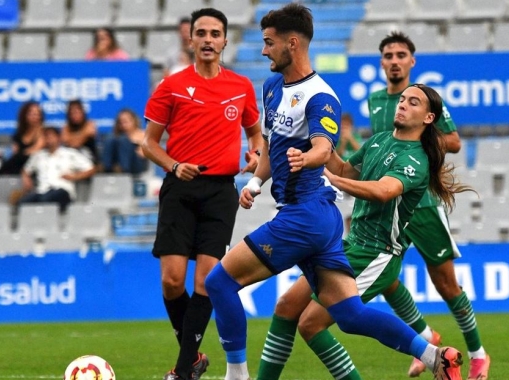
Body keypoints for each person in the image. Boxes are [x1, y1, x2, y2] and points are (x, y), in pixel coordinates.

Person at [205, 5, 463, 380]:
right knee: (347, 314)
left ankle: (237, 375)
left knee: (219, 281)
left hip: (305, 216)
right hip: (322, 221)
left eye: (269, 43)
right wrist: (257, 182)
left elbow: (325, 150)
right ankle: (435, 354)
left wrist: (311, 159)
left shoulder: (320, 96)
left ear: (292, 44)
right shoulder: (272, 87)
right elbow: (275, 145)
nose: (263, 51)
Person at [255, 83, 470, 380]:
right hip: (350, 244)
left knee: (312, 324)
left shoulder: (416, 158)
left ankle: (432, 354)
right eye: (403, 99)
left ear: (429, 118)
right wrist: (318, 140)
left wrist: (335, 181)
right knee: (286, 306)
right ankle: (433, 355)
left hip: (377, 252)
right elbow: (344, 170)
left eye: (414, 102)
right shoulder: (380, 140)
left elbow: (384, 191)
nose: (403, 104)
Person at [141, 8, 264, 380]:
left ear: (225, 41)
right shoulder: (171, 85)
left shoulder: (240, 86)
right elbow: (149, 143)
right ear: (190, 39)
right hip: (180, 187)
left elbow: (256, 134)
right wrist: (174, 166)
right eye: (202, 33)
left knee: (205, 283)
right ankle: (193, 359)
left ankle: (182, 370)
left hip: (220, 191)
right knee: (172, 280)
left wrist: (255, 153)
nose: (208, 39)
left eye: (215, 33)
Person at [367, 31, 490, 379]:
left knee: (446, 285)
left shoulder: (426, 103)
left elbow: (453, 141)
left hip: (421, 202)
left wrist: (419, 131)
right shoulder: (376, 101)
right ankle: (426, 337)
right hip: (388, 207)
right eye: (388, 54)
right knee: (386, 278)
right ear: (381, 62)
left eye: (400, 54)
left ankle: (478, 353)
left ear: (411, 61)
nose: (394, 60)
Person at [19, 127, 95, 212]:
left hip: (62, 191)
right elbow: (26, 170)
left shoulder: (70, 153)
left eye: (51, 136)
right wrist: (26, 178)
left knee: (46, 199)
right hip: (42, 191)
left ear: (58, 138)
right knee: (23, 202)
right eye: (46, 137)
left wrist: (75, 176)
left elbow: (91, 168)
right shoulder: (38, 156)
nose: (49, 139)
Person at [0, 101, 45, 176]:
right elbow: (14, 151)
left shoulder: (43, 131)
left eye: (37, 114)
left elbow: (36, 149)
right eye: (31, 114)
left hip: (34, 163)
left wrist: (22, 153)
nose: (34, 116)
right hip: (18, 162)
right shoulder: (19, 133)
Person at [101, 108, 148, 176]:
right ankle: (106, 169)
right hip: (116, 164)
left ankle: (123, 170)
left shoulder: (142, 135)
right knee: (109, 139)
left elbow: (143, 154)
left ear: (134, 121)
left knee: (123, 140)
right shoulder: (116, 137)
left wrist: (131, 145)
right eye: (120, 123)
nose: (123, 125)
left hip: (135, 165)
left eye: (125, 122)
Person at [62, 99, 99, 164]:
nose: (74, 116)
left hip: (89, 159)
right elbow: (67, 141)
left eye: (77, 112)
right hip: (71, 160)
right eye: (72, 113)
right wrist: (83, 135)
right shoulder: (65, 127)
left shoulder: (90, 124)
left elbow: (75, 143)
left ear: (82, 112)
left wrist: (73, 138)